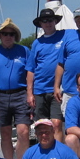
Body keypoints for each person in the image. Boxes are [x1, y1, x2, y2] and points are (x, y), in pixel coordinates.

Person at [0, 18, 32, 159]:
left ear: (15, 36)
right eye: (5, 34)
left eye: (11, 34)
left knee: (24, 131)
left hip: (20, 94)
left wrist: (30, 94)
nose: (8, 36)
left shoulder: (24, 51)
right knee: (5, 133)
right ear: (0, 36)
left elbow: (30, 74)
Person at [26, 8, 66, 142]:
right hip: (39, 91)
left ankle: (59, 155)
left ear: (55, 21)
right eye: (44, 21)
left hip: (57, 90)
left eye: (50, 20)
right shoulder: (37, 43)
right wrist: (30, 93)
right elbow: (30, 69)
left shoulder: (65, 36)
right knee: (41, 126)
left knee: (57, 124)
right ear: (40, 24)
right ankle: (43, 155)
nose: (48, 23)